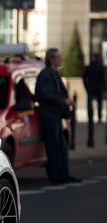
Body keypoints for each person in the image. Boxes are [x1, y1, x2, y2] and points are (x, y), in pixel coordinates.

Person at [34, 48, 81, 184]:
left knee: (61, 146)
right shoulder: (45, 75)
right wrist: (63, 101)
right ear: (51, 59)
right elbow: (44, 94)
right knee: (53, 146)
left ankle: (64, 174)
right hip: (49, 115)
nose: (60, 59)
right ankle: (57, 176)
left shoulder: (54, 74)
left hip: (57, 115)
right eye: (58, 57)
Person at [83, 53, 106, 123]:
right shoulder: (101, 67)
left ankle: (89, 117)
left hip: (90, 87)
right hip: (99, 87)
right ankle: (99, 117)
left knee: (89, 102)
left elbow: (84, 78)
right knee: (99, 103)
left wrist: (86, 86)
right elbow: (104, 79)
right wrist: (105, 89)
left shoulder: (89, 67)